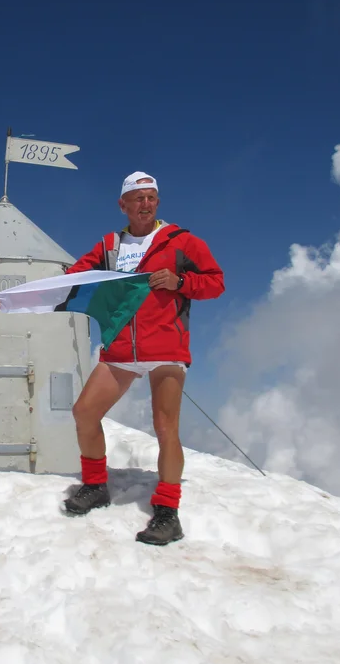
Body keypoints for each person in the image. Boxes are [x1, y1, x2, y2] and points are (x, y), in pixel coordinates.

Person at [62, 171, 225, 545]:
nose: (146, 204)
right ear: (123, 204)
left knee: (166, 428)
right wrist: (27, 294)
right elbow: (75, 275)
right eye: (138, 198)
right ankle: (95, 486)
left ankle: (168, 512)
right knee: (84, 412)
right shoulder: (109, 245)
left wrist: (180, 282)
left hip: (166, 348)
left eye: (152, 198)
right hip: (120, 348)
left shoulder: (182, 241)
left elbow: (215, 282)